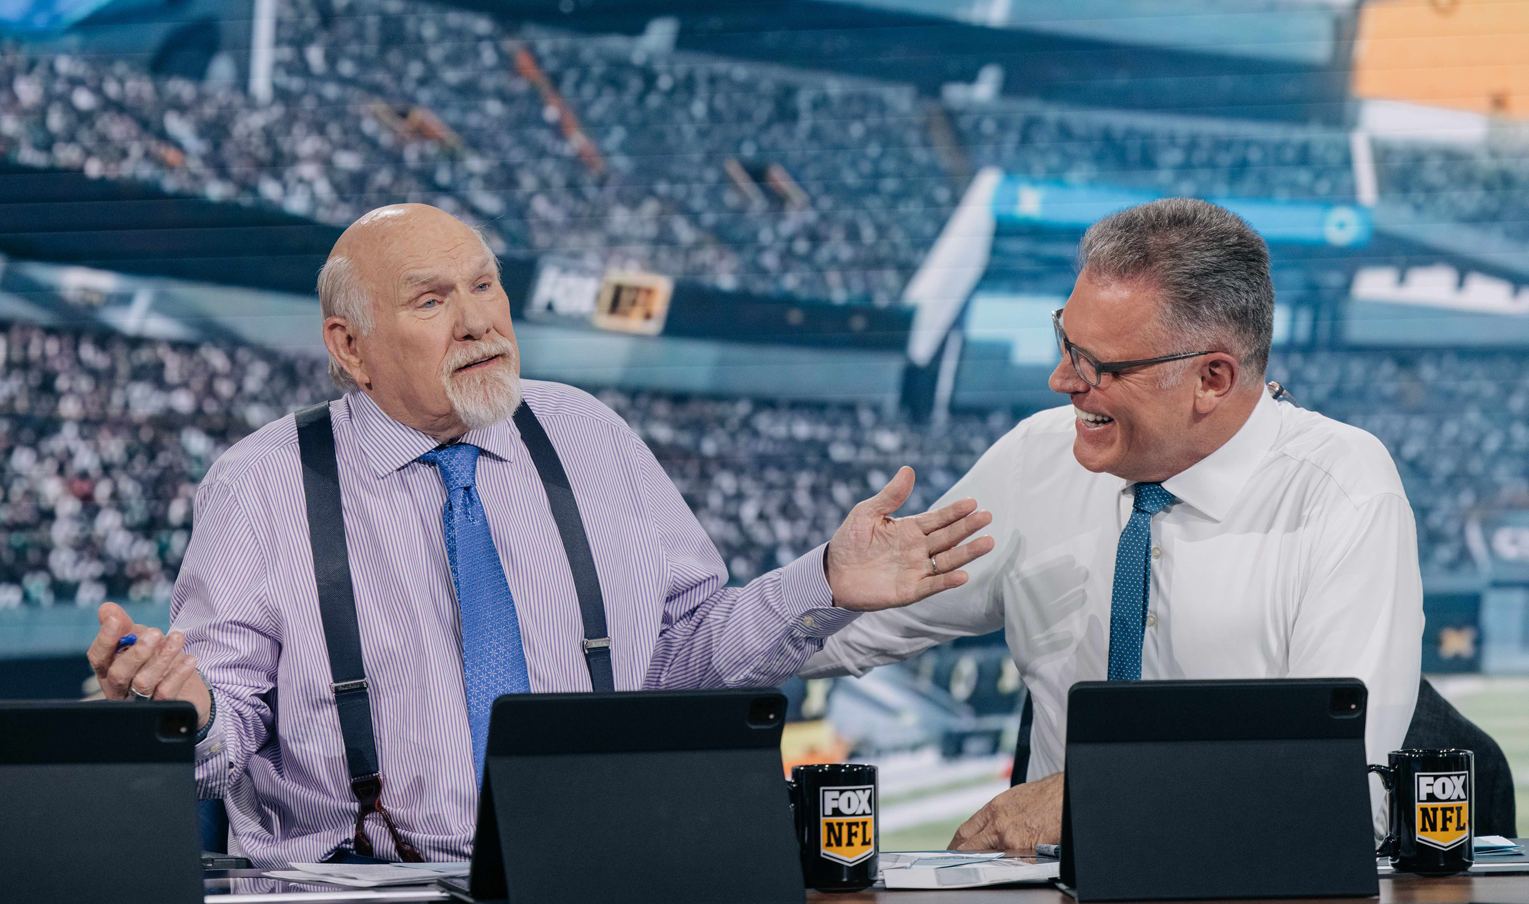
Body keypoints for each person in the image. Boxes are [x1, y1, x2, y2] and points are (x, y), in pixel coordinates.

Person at [86, 203, 995, 867]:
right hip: (365, 901)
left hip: (596, 880)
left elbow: (681, 655)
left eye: (486, 284)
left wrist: (825, 579)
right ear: (350, 347)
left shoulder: (587, 431)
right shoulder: (261, 482)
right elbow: (221, 734)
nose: (481, 317)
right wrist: (184, 707)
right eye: (433, 299)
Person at [802, 198, 1423, 851]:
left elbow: (1349, 793)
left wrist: (1095, 795)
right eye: (1065, 341)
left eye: (1100, 364)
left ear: (1211, 378)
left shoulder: (1342, 491)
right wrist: (819, 588)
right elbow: (839, 634)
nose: (1061, 378)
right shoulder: (1035, 459)